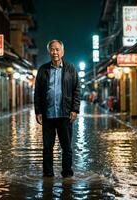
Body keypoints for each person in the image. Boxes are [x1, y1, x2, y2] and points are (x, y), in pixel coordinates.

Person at [34, 39, 80, 178]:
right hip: (48, 115)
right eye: (52, 49)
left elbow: (76, 90)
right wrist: (38, 111)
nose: (55, 52)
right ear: (49, 52)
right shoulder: (43, 70)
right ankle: (48, 174)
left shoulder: (70, 68)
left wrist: (75, 109)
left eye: (57, 49)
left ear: (62, 51)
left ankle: (67, 174)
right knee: (47, 148)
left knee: (66, 148)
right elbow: (37, 92)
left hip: (65, 114)